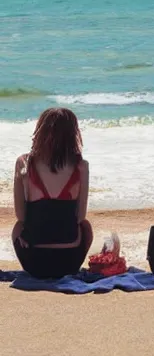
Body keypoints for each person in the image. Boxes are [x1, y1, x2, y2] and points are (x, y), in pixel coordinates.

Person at [12, 108, 93, 278]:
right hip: (68, 261)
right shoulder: (81, 166)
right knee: (85, 226)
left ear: (40, 130)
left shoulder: (24, 163)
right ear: (73, 134)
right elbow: (80, 217)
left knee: (18, 227)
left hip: (34, 261)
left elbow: (21, 217)